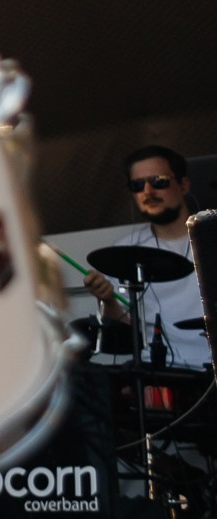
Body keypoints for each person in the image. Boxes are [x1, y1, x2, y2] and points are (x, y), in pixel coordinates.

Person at [85, 146, 210, 369]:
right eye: (137, 185)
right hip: (156, 372)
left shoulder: (211, 238)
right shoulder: (124, 251)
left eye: (158, 181)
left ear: (183, 185)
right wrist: (108, 300)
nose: (148, 191)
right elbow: (124, 330)